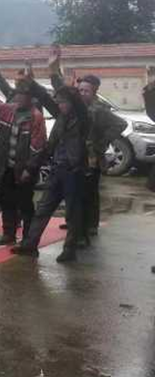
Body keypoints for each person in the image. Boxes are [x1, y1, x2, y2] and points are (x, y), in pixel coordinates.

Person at [12, 49, 90, 262]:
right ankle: (29, 245)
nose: (60, 105)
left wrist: (54, 72)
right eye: (59, 102)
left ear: (72, 102)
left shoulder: (83, 119)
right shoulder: (61, 117)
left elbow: (74, 101)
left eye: (64, 102)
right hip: (57, 171)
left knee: (72, 213)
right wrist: (32, 80)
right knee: (43, 209)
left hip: (74, 172)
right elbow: (45, 98)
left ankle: (70, 249)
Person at [49, 46, 127, 240]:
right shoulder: (75, 107)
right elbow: (62, 90)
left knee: (89, 193)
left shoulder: (98, 110)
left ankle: (90, 225)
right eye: (80, 90)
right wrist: (54, 69)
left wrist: (101, 142)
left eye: (86, 90)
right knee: (74, 192)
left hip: (91, 158)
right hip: (75, 156)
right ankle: (75, 222)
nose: (82, 93)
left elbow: (121, 124)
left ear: (94, 92)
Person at [0, 50, 47, 246]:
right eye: (17, 94)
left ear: (30, 97)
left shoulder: (36, 117)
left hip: (23, 171)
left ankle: (27, 240)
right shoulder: (8, 110)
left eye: (22, 94)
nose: (18, 97)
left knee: (25, 205)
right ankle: (8, 235)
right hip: (6, 167)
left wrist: (29, 169)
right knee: (6, 202)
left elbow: (38, 147)